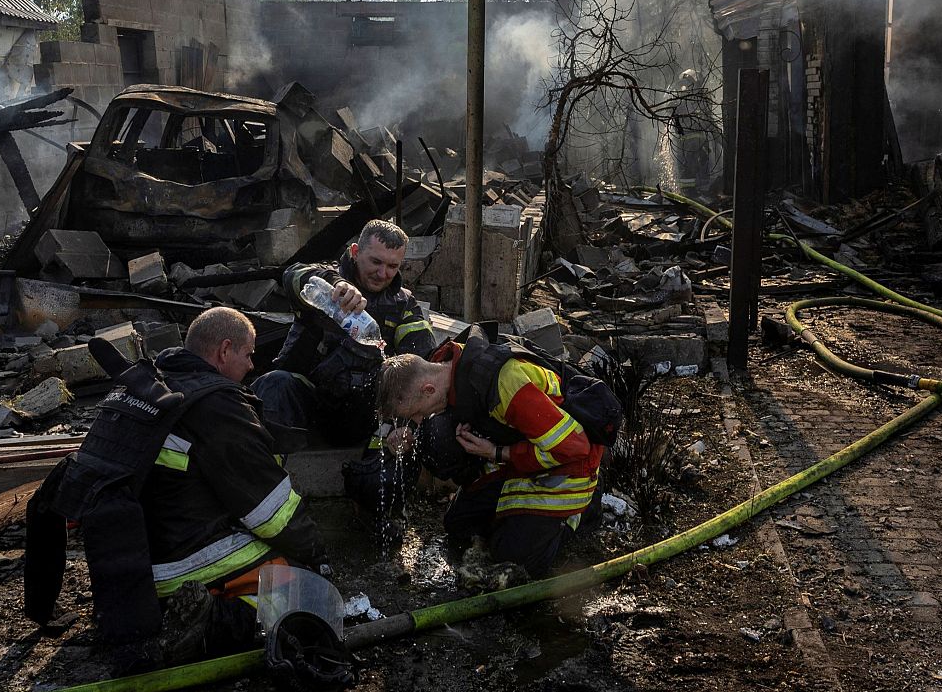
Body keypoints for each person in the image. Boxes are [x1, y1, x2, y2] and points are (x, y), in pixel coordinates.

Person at [143, 307, 327, 665]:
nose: (252, 366)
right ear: (224, 351)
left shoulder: (151, 384)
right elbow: (274, 515)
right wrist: (317, 555)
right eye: (248, 354)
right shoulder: (218, 406)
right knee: (299, 587)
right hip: (173, 568)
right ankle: (210, 623)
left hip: (129, 563)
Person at [252, 220, 435, 534]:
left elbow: (420, 364)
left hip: (364, 415)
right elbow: (291, 276)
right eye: (375, 262)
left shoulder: (405, 306)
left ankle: (375, 513)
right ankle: (261, 498)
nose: (382, 273)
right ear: (355, 252)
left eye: (392, 266)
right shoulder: (326, 282)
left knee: (400, 434)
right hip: (312, 403)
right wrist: (334, 282)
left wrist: (401, 425)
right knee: (274, 384)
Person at [377, 332, 603, 578]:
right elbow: (420, 401)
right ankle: (518, 517)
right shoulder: (445, 364)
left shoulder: (506, 384)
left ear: (428, 389)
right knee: (459, 526)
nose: (418, 422)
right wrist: (407, 431)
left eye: (416, 415)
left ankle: (578, 514)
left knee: (516, 562)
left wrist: (497, 452)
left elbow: (574, 447)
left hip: (570, 466)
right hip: (523, 455)